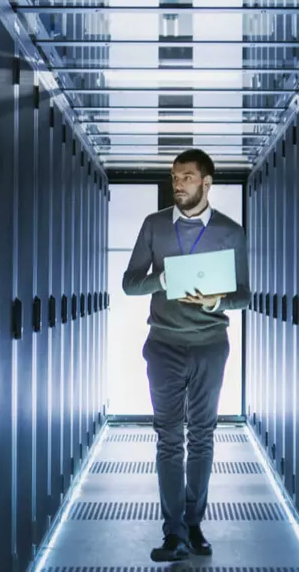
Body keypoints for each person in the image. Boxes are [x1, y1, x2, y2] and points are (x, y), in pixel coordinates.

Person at [120, 148, 250, 562]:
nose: (178, 184)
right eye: (175, 178)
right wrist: (161, 279)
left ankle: (194, 525)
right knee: (169, 439)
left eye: (187, 178)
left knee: (203, 437)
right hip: (163, 346)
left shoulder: (230, 232)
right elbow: (129, 284)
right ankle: (172, 531)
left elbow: (244, 296)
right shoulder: (155, 225)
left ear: (207, 183)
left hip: (211, 346)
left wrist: (216, 302)